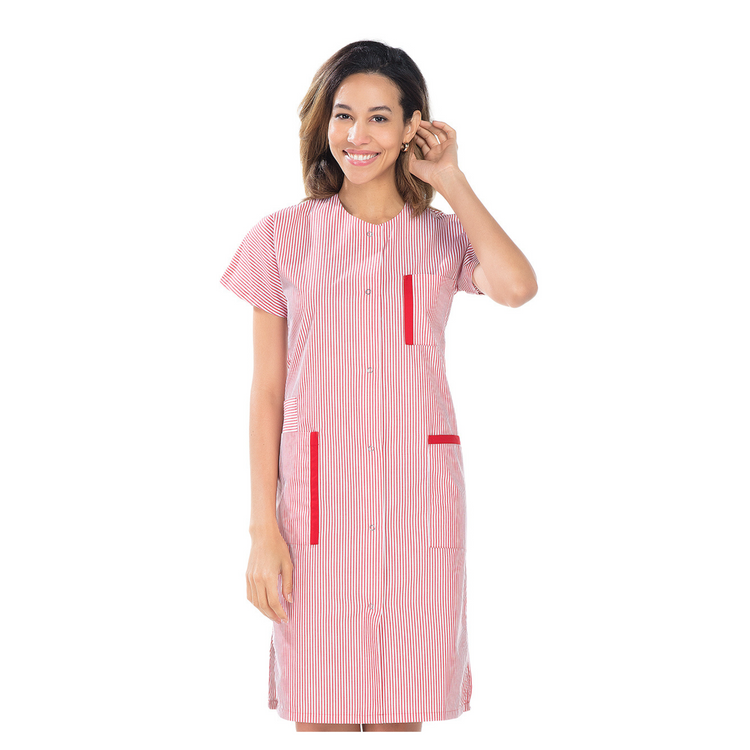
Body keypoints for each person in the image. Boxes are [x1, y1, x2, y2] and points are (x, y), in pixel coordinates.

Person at [220, 39, 537, 733]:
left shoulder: (444, 238)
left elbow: (517, 288)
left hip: (416, 509)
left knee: (402, 712)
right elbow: (266, 392)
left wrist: (450, 179)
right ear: (323, 122)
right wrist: (262, 530)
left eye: (379, 118)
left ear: (411, 128)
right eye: (343, 115)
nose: (357, 135)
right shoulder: (281, 239)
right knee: (321, 708)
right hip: (317, 514)